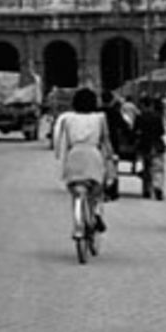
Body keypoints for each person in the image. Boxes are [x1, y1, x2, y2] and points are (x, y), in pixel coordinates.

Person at [53, 87, 112, 235]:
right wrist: (111, 156)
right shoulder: (100, 118)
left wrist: (63, 160)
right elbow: (105, 141)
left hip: (74, 154)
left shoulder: (68, 119)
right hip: (93, 154)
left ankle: (77, 224)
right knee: (97, 187)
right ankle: (97, 211)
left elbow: (63, 143)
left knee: (76, 191)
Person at [132, 96, 166, 200]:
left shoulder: (139, 117)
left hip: (144, 145)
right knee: (158, 168)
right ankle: (158, 187)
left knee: (146, 167)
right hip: (156, 145)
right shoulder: (158, 116)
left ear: (142, 105)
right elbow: (162, 131)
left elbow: (135, 131)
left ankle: (146, 189)